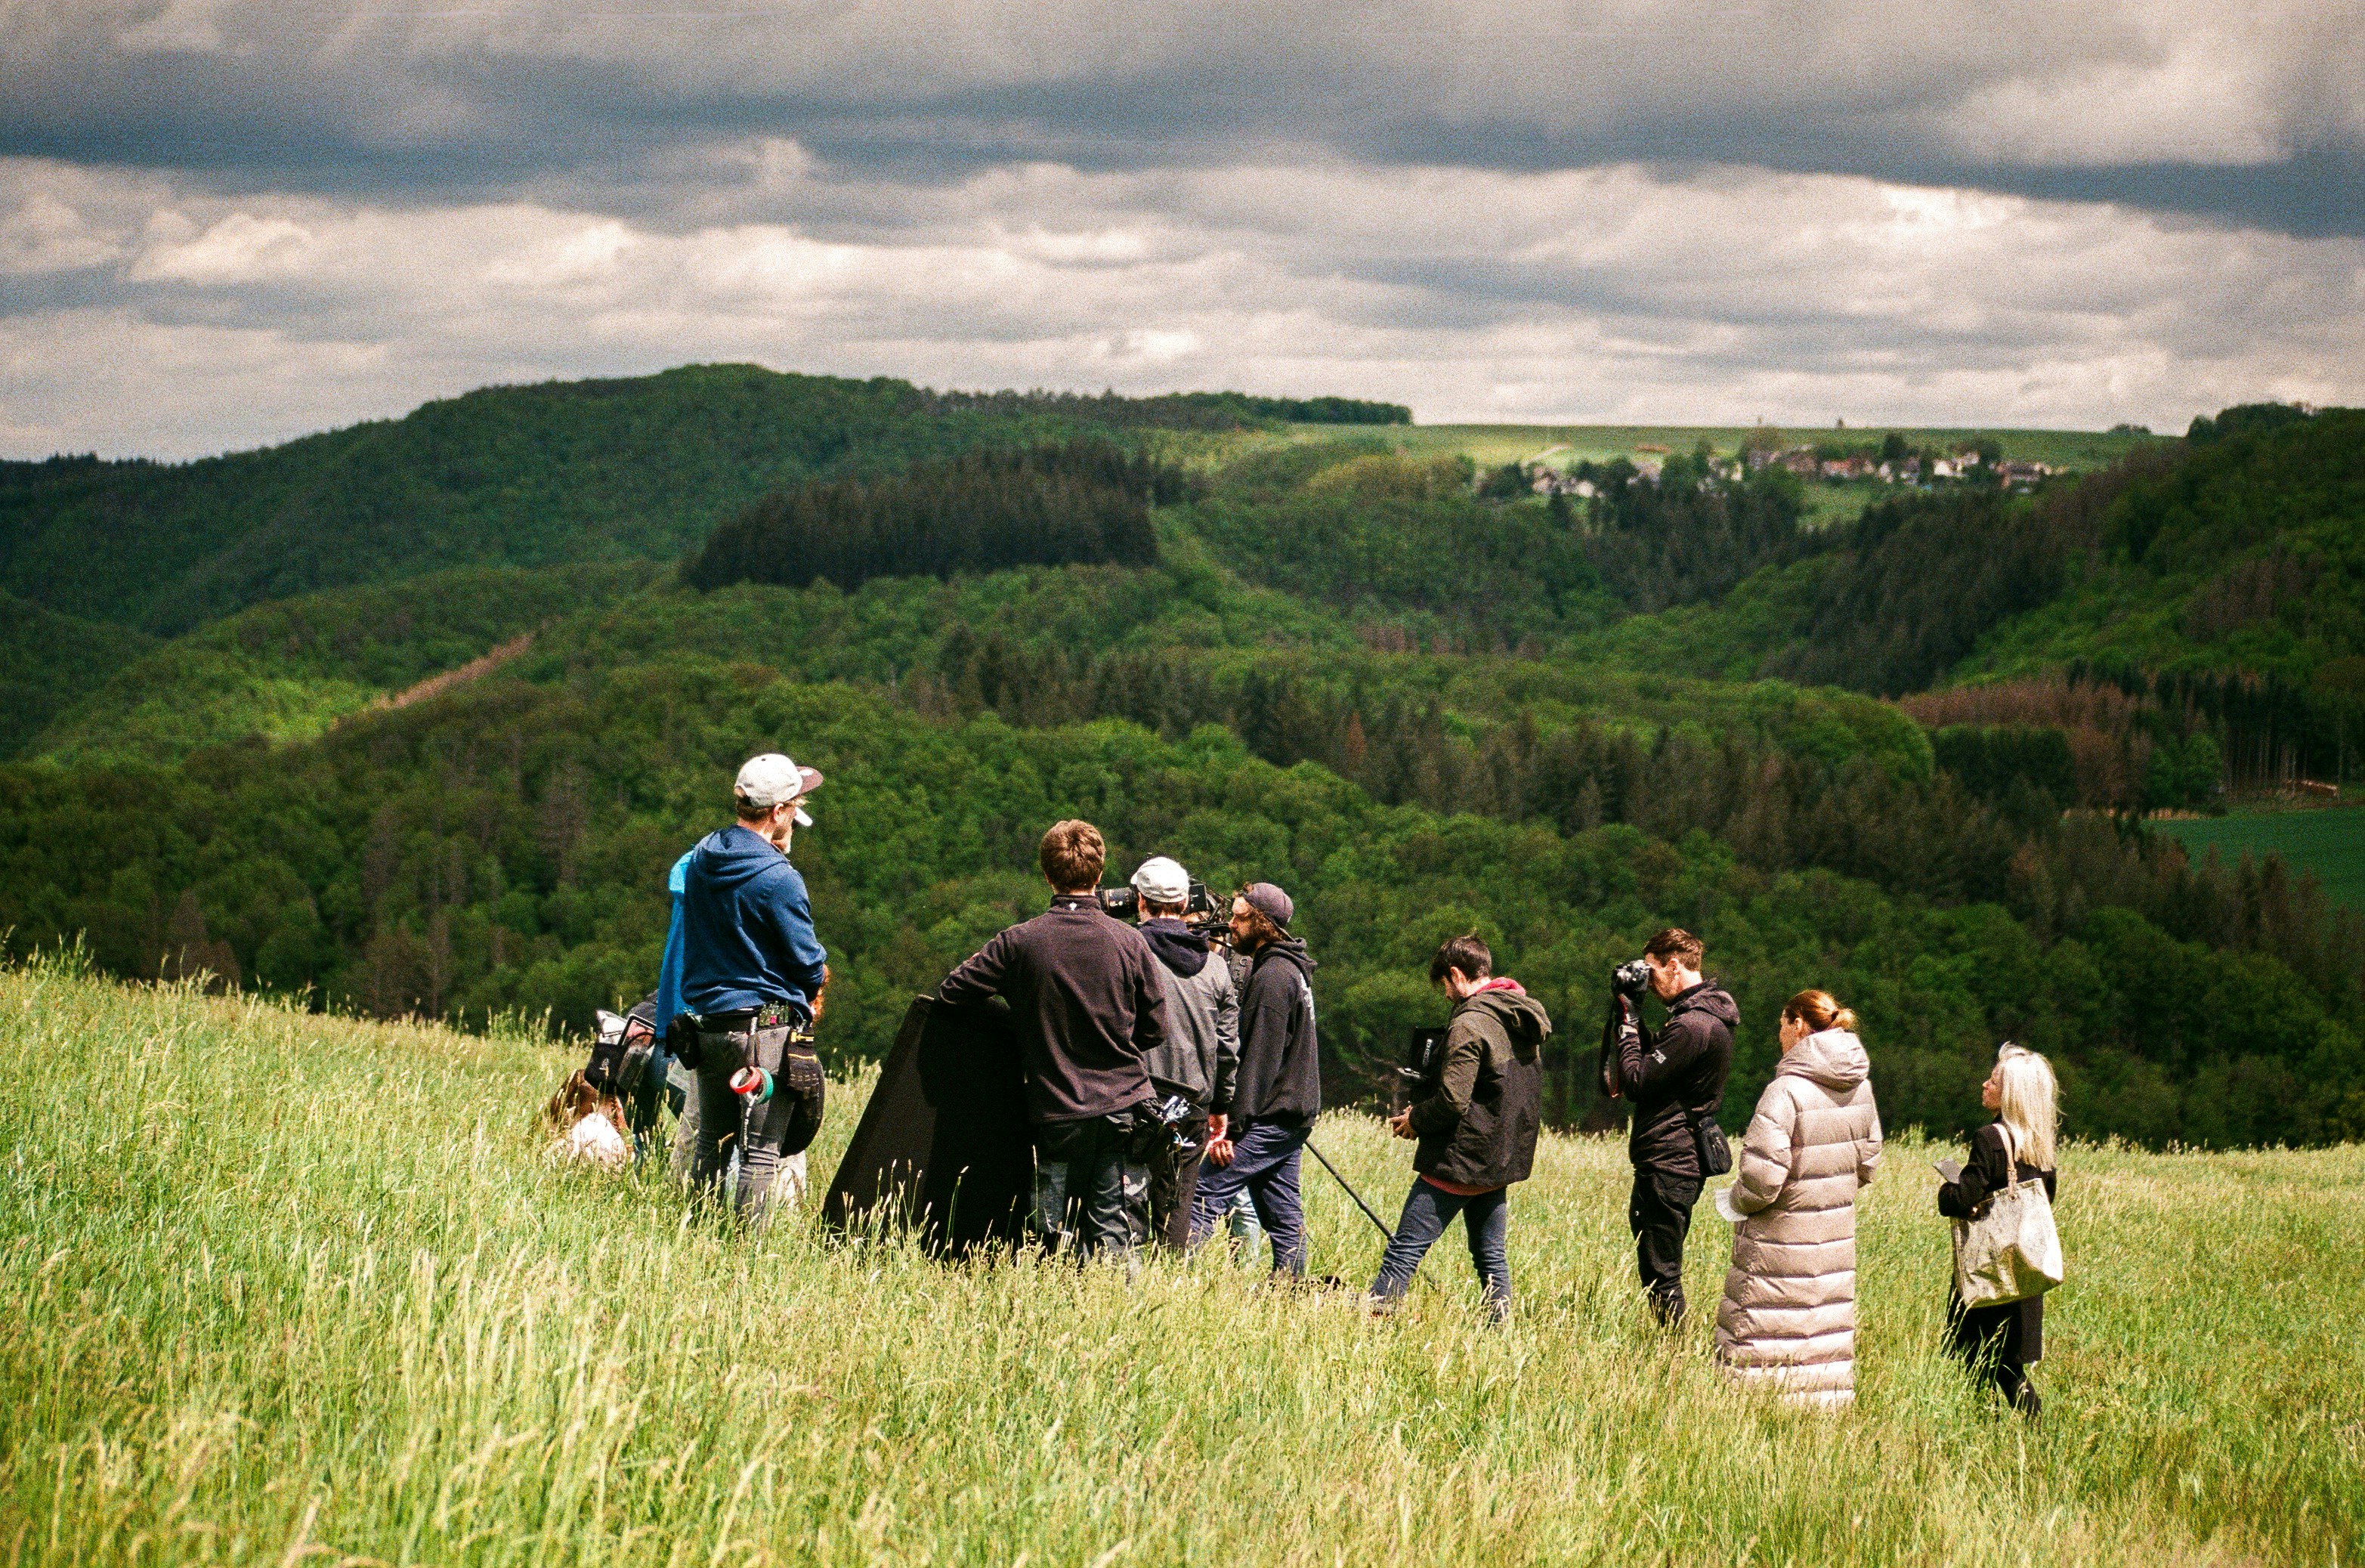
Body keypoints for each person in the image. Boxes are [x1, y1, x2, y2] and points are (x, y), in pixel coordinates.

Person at [938, 820, 1170, 1260]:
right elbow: (1157, 1028)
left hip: (1055, 1107)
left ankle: (1057, 1308)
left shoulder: (1019, 942)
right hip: (1123, 1104)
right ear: (1099, 875)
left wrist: (1022, 1022)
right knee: (1117, 1230)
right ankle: (1122, 1317)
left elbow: (952, 994)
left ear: (1047, 874)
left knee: (1051, 1232)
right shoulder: (1130, 942)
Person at [679, 753, 830, 1228]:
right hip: (764, 1033)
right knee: (761, 1153)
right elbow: (808, 965)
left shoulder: (703, 856)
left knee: (710, 1140)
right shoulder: (779, 879)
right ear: (779, 811)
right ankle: (749, 1255)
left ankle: (692, 1239)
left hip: (709, 1029)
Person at [1713, 989, 1883, 1409]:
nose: (1780, 1036)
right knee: (1822, 1330)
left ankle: (1752, 1415)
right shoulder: (1860, 1087)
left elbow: (1762, 1180)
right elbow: (1870, 1162)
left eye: (1782, 1026)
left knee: (1764, 1329)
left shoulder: (1784, 1091)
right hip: (1834, 1240)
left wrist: (1734, 1200)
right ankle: (1821, 1415)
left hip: (1778, 1241)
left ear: (1799, 1026)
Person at [1368, 934, 1550, 1322]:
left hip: (1461, 1159)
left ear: (1456, 975)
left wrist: (1414, 1118)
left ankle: (1377, 1319)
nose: (1447, 996)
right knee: (1491, 1256)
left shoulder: (1470, 1024)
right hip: (1500, 1159)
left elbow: (1453, 1100)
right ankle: (1499, 1332)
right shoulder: (1520, 1014)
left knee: (1405, 1249)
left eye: (1445, 987)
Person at [1607, 926, 1736, 1326]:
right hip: (1672, 1156)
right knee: (1656, 1265)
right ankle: (1670, 1346)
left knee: (1661, 1271)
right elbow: (1661, 1069)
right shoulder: (1701, 1016)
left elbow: (1637, 1081)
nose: (1648, 980)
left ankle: (1674, 1353)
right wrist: (1636, 1020)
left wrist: (1629, 1021)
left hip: (1670, 1158)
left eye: (1651, 970)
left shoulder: (1694, 1025)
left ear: (1674, 965)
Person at [1189, 882, 1319, 1276]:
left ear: (1261, 922)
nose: (1230, 925)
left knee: (1201, 1193)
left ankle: (1175, 1284)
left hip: (1270, 1114)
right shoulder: (1289, 969)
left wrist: (1231, 1127)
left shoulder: (1273, 978)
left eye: (1239, 918)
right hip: (1292, 1114)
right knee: (1282, 1213)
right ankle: (1291, 1290)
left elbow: (1259, 1060)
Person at [1939, 1044, 2060, 1418]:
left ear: (2009, 1094)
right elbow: (2045, 1199)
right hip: (2024, 1270)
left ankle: (1990, 1427)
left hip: (1989, 1269)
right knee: (2011, 1365)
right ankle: (2030, 1432)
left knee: (1975, 1360)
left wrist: (1948, 1190)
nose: (1984, 1084)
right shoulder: (2039, 1143)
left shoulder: (1990, 1138)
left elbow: (1964, 1199)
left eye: (1992, 1080)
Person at [1127, 855, 1240, 1252]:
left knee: (1127, 1199)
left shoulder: (1127, 951)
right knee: (1178, 1206)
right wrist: (1221, 1106)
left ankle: (1124, 1286)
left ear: (1140, 901)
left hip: (1134, 1098)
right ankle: (1173, 1281)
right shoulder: (1215, 968)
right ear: (1185, 905)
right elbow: (1228, 1049)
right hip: (1192, 1103)